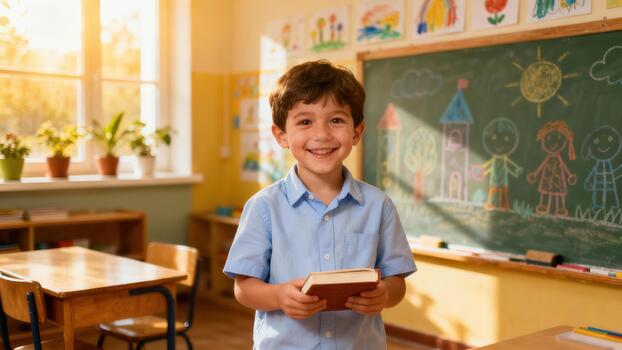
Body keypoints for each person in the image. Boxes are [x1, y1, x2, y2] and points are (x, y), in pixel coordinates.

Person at [223, 60, 416, 350]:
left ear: (357, 131)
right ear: (281, 136)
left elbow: (396, 281)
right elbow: (244, 288)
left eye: (336, 120)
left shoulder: (379, 205)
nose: (322, 134)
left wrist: (385, 294)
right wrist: (278, 297)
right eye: (305, 121)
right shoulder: (263, 207)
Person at [527, 120, 577, 216]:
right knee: (545, 190)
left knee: (559, 192)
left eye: (558, 138)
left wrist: (569, 175)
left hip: (557, 177)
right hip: (548, 176)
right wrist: (535, 173)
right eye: (549, 138)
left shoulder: (559, 157)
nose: (553, 143)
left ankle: (561, 208)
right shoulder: (549, 157)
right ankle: (543, 205)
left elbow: (563, 165)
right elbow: (542, 165)